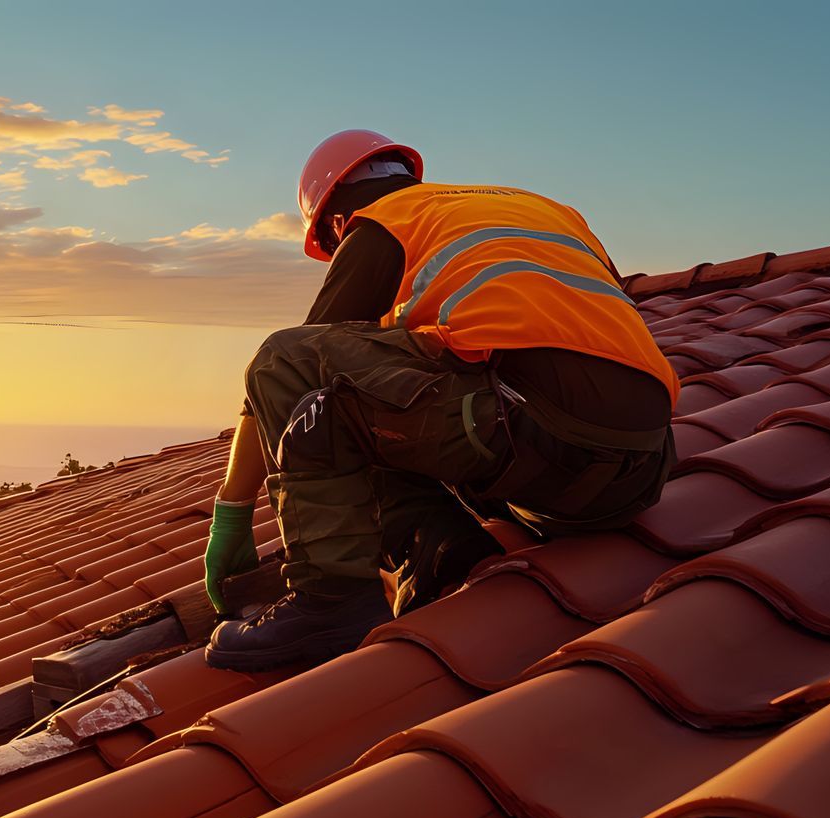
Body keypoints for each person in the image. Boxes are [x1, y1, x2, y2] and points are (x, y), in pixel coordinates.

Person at [204, 129, 680, 672]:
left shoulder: (388, 220)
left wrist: (232, 515)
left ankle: (330, 600)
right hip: (636, 472)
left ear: (336, 222)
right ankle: (439, 551)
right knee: (396, 384)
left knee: (286, 363)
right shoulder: (543, 212)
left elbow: (293, 371)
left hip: (537, 434)